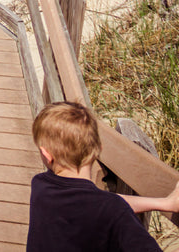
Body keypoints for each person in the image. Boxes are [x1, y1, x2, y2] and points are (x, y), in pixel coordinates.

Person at [27, 101, 179, 252]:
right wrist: (166, 203)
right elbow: (105, 204)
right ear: (98, 149)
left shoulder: (41, 186)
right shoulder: (111, 211)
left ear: (46, 154)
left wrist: (163, 203)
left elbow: (100, 202)